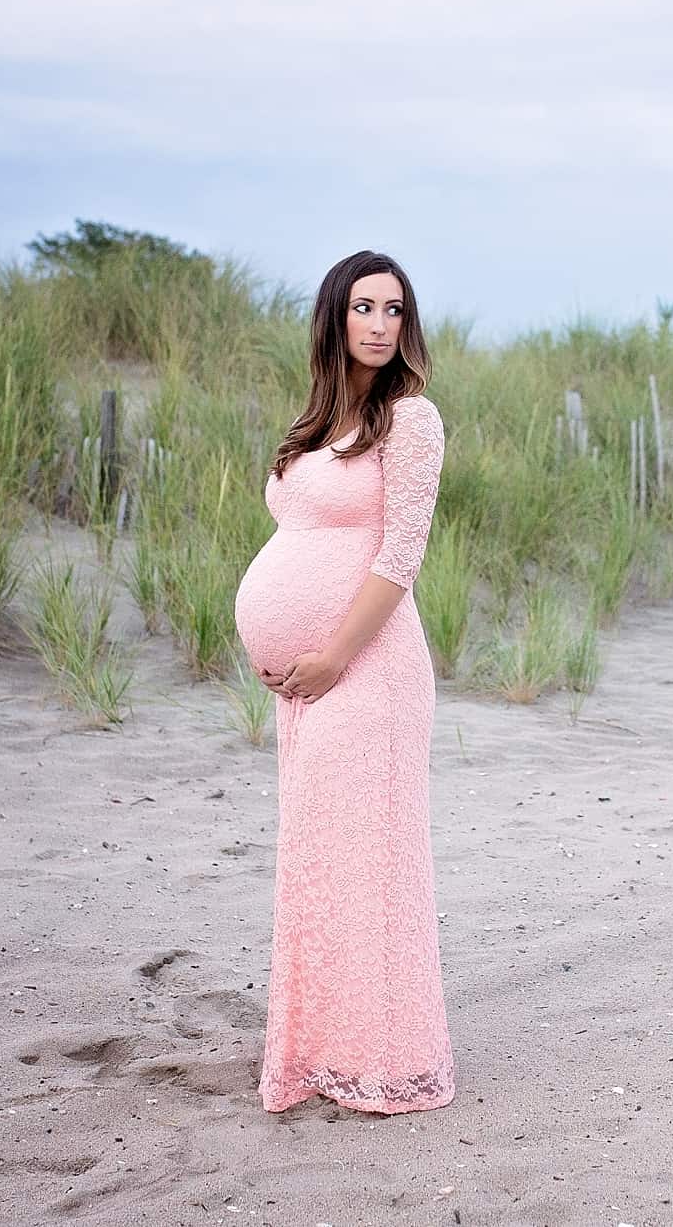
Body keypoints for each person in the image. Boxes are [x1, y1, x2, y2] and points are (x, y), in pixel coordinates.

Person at [233, 249, 454, 1115]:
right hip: (312, 682)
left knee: (372, 863)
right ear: (335, 317)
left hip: (372, 668)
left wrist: (329, 655)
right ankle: (325, 1051)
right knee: (320, 862)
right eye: (363, 307)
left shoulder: (412, 419)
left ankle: (387, 1060)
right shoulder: (321, 421)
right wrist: (286, 652)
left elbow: (399, 560)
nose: (378, 323)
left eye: (393, 309)